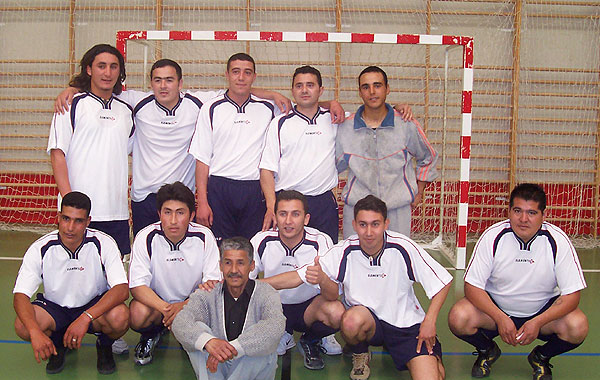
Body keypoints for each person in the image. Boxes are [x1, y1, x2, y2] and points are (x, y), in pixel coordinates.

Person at [55, 58, 292, 237]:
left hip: (181, 197)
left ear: (180, 83)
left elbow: (238, 90)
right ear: (151, 83)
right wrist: (74, 89)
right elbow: (101, 90)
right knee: (145, 257)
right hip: (144, 197)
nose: (163, 86)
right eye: (157, 80)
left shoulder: (199, 103)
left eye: (169, 80)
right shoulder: (135, 103)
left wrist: (271, 94)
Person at [295, 195, 452, 380]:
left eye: (375, 224)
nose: (368, 232)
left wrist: (429, 322)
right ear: (354, 225)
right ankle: (360, 353)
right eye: (363, 225)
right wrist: (258, 284)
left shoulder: (403, 247)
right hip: (369, 323)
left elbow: (443, 282)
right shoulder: (345, 250)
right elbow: (302, 276)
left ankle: (432, 359)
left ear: (386, 224)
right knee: (351, 320)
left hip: (405, 327)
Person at [190, 54, 344, 241]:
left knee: (254, 250)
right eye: (236, 72)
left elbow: (304, 105)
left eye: (247, 73)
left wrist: (331, 104)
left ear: (254, 77)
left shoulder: (270, 108)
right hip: (220, 188)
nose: (241, 77)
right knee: (221, 251)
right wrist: (202, 201)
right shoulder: (211, 108)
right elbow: (202, 159)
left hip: (255, 191)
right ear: (227, 74)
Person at [448, 183, 588, 380]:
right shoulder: (493, 237)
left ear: (543, 215)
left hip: (542, 313)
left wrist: (538, 322)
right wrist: (500, 317)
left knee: (578, 325)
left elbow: (572, 296)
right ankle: (488, 351)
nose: (523, 219)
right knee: (458, 316)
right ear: (509, 212)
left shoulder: (558, 241)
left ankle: (541, 357)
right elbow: (472, 287)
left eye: (532, 212)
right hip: (497, 312)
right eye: (518, 211)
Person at [260, 65, 414, 244]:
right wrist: (272, 205)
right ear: (292, 90)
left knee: (325, 261)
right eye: (299, 85)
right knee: (287, 258)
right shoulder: (279, 123)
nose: (304, 90)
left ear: (321, 90)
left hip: (323, 202)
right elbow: (266, 170)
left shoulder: (337, 120)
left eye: (310, 85)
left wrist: (397, 109)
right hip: (288, 202)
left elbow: (373, 116)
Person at [172, 237, 285, 380]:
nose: (233, 270)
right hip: (219, 372)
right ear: (220, 266)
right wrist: (208, 342)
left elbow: (275, 327)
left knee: (262, 338)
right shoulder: (208, 293)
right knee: (198, 332)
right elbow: (180, 322)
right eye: (228, 263)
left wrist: (231, 348)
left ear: (251, 266)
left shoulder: (267, 293)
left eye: (240, 263)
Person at [13, 191, 129, 375]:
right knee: (22, 325)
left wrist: (85, 318)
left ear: (88, 221)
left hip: (92, 306)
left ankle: (105, 345)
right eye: (66, 218)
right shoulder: (41, 247)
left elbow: (122, 289)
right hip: (55, 308)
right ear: (58, 217)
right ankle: (58, 345)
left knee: (120, 316)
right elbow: (20, 296)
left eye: (78, 221)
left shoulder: (103, 243)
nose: (70, 227)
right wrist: (35, 332)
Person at [48, 44, 133, 256]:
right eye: (101, 66)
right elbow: (58, 155)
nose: (107, 72)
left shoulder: (126, 111)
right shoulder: (70, 105)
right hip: (80, 213)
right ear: (89, 69)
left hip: (116, 212)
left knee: (113, 280)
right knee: (74, 273)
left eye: (114, 67)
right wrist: (70, 205)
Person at [336, 66, 438, 238]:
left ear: (387, 89)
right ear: (360, 92)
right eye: (366, 87)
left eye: (377, 85)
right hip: (357, 210)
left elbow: (428, 157)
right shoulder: (345, 127)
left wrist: (418, 192)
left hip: (397, 211)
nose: (372, 92)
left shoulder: (405, 124)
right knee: (354, 262)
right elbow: (331, 166)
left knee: (396, 261)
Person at [128, 182, 221, 366]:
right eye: (167, 212)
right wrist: (168, 309)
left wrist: (184, 306)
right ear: (159, 214)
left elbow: (213, 284)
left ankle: (190, 336)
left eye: (180, 212)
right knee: (137, 313)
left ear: (191, 215)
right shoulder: (145, 237)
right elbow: (137, 286)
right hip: (158, 304)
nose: (173, 220)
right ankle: (151, 334)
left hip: (191, 303)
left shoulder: (204, 236)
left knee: (215, 306)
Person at [250, 190, 345, 370]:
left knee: (337, 313)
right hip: (273, 308)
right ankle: (281, 332)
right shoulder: (262, 239)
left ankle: (311, 339)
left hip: (308, 308)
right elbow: (243, 284)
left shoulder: (321, 241)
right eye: (283, 214)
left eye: (295, 214)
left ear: (306, 219)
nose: (288, 221)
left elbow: (333, 294)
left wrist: (323, 279)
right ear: (275, 217)